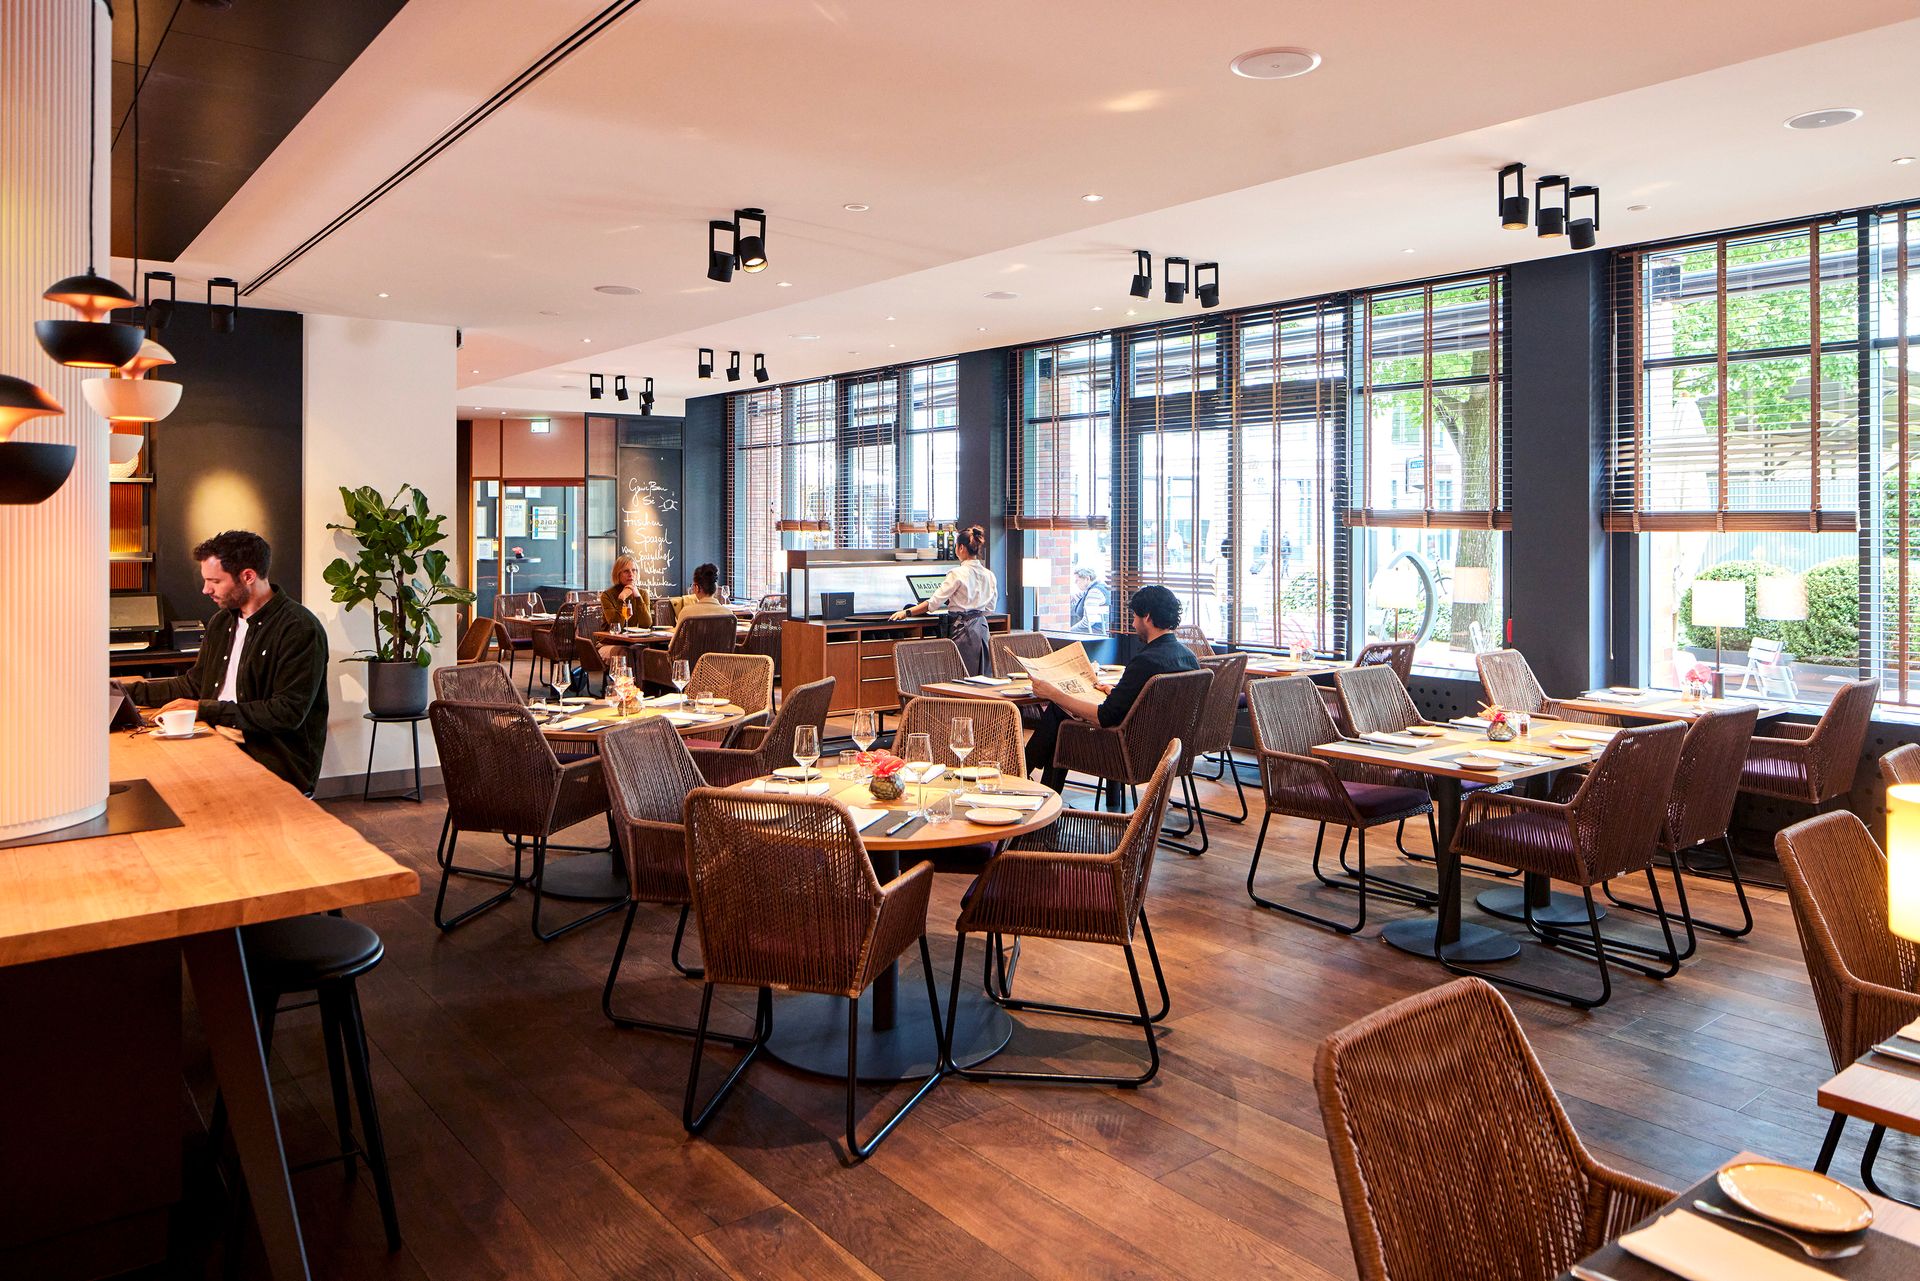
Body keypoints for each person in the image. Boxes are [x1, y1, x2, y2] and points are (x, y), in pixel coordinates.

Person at [125, 530, 330, 794]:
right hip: (214, 740)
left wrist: (206, 709)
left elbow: (286, 713)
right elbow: (193, 685)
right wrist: (125, 692)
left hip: (270, 760)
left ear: (247, 577)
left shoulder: (300, 629)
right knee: (144, 771)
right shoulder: (221, 622)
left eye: (215, 581)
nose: (205, 590)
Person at [1024, 584, 1199, 792]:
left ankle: (1023, 772)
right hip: (1169, 750)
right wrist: (1116, 693)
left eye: (1135, 617)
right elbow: (1153, 705)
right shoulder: (1188, 657)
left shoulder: (1145, 662)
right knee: (1061, 719)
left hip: (1127, 753)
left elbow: (1104, 717)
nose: (1133, 624)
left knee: (1058, 713)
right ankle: (1037, 787)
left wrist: (1055, 695)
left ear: (1148, 618)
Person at [891, 524, 997, 674]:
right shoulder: (989, 574)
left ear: (961, 548)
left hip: (964, 629)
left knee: (962, 676)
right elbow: (990, 608)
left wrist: (907, 612)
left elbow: (933, 603)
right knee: (984, 676)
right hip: (982, 628)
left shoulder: (957, 573)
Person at [597, 554, 651, 670]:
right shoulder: (607, 595)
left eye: (634, 570)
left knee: (649, 652)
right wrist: (621, 598)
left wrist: (637, 596)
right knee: (625, 653)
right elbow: (616, 625)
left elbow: (646, 623)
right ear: (618, 574)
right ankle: (628, 686)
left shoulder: (642, 594)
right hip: (609, 643)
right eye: (626, 571)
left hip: (632, 642)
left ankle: (642, 686)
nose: (631, 574)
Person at [667, 563, 733, 628]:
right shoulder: (728, 614)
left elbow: (677, 638)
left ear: (697, 588)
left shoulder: (686, 613)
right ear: (715, 588)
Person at [1068, 566, 1110, 634]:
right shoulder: (1098, 587)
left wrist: (1069, 631)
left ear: (1087, 579)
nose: (1075, 582)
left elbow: (1087, 622)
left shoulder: (1094, 592)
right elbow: (1082, 595)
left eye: (1077, 580)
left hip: (1096, 635)